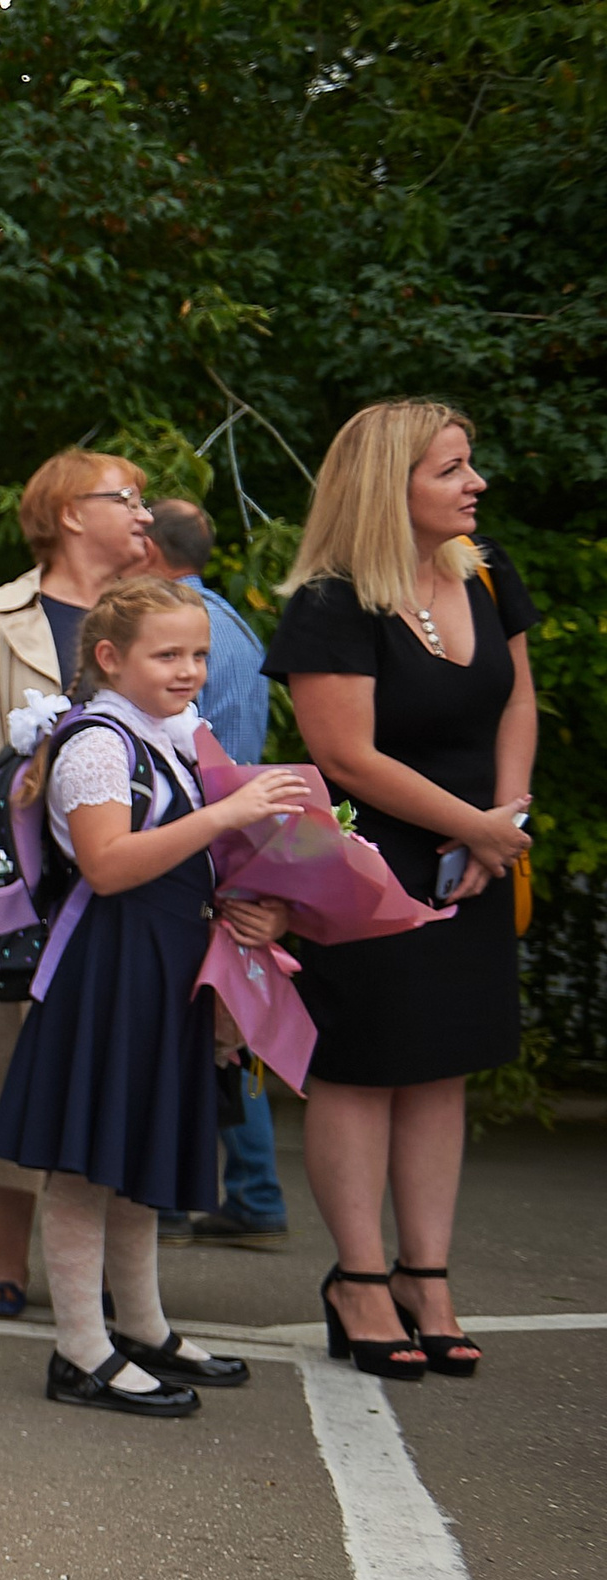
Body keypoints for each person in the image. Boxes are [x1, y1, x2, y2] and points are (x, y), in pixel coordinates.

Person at [265, 399, 535, 1381]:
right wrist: (470, 829)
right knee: (364, 1065)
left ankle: (427, 1276)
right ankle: (360, 1280)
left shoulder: (486, 568)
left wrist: (504, 824)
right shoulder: (332, 603)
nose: (475, 484)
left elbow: (518, 702)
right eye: (451, 469)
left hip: (477, 854)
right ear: (392, 488)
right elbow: (344, 754)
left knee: (440, 1064)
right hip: (367, 868)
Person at [0, 578, 299, 1415]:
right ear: (109, 658)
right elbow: (109, 864)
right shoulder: (99, 743)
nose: (190, 670)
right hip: (108, 966)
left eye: (199, 653)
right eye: (168, 654)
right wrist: (228, 816)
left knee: (130, 1159)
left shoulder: (165, 736)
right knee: (89, 1162)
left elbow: (176, 861)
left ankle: (143, 1326)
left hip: (157, 963)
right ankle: (80, 1347)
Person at [0, 449, 150, 1317]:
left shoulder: (159, 616)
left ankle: (113, 1269)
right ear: (69, 512)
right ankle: (5, 1248)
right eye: (126, 497)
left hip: (125, 879)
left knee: (113, 1067)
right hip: (14, 884)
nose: (144, 514)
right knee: (4, 1062)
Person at [138, 498, 288, 1247]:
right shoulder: (234, 623)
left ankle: (164, 1196)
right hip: (243, 836)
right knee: (233, 1018)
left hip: (190, 840)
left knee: (186, 1018)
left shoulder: (168, 631)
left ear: (150, 552)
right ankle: (256, 1191)